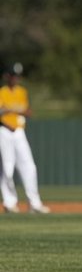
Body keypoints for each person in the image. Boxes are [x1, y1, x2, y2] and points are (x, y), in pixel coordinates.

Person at [0, 62, 50, 214]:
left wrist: (10, 110)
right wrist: (11, 111)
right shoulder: (2, 92)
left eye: (18, 76)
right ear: (7, 76)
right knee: (7, 168)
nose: (16, 79)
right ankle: (9, 203)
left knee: (29, 166)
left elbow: (28, 111)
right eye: (13, 76)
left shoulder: (22, 92)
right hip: (4, 131)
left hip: (19, 132)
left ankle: (34, 203)